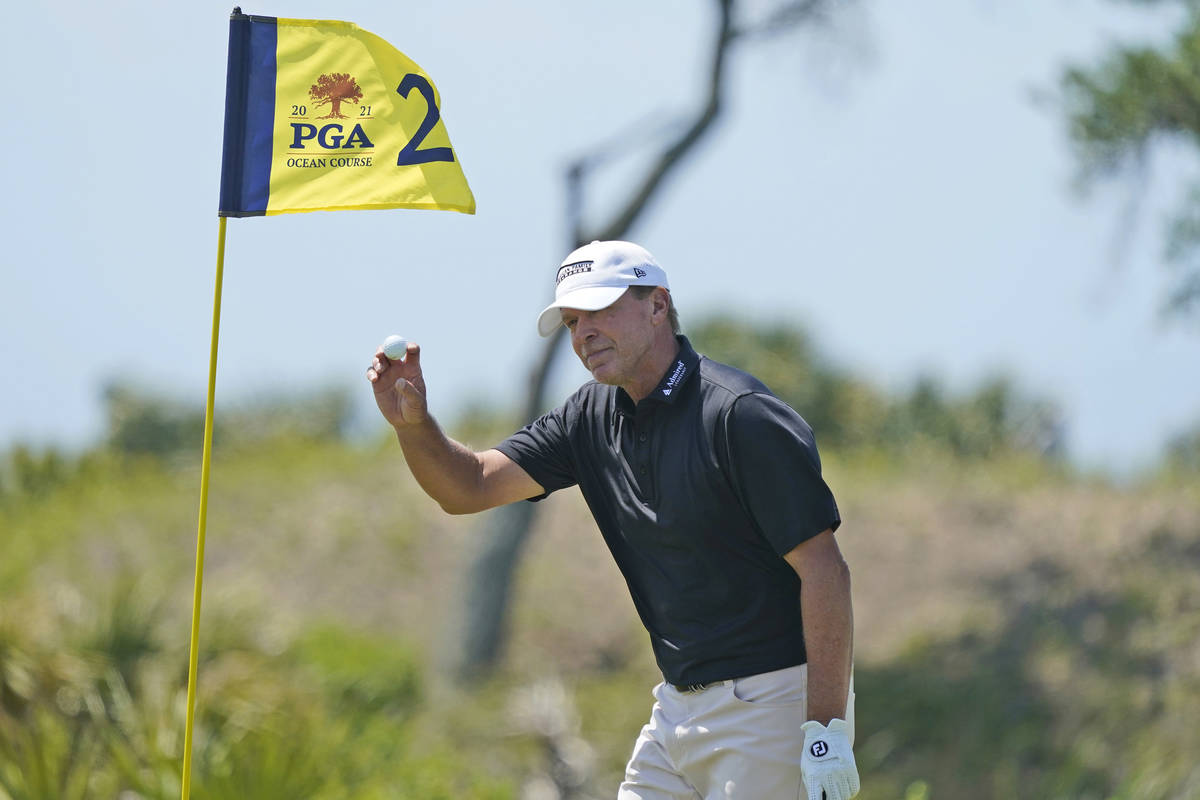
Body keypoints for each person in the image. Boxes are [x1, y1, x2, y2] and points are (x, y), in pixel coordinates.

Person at [368, 240, 859, 800]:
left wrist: (825, 733)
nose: (583, 335)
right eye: (573, 321)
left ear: (658, 306)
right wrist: (414, 426)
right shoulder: (589, 417)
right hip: (677, 707)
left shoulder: (738, 414)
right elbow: (469, 487)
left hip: (771, 706)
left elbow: (825, 571)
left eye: (599, 311)